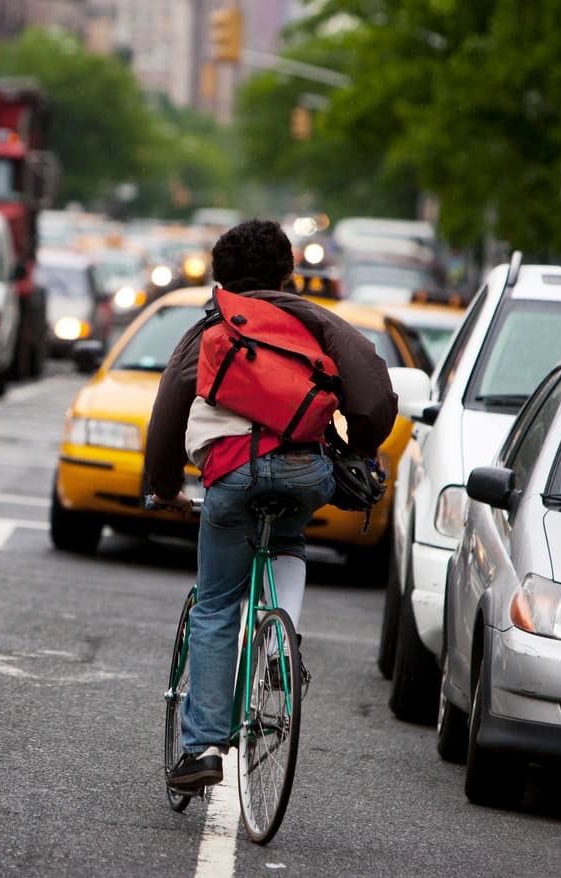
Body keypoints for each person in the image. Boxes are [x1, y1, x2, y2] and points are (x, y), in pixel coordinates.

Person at [144, 219, 397, 791]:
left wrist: (163, 486)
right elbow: (374, 391)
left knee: (214, 606)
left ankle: (203, 747)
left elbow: (166, 417)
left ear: (220, 279)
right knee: (288, 535)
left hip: (231, 473)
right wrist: (360, 446)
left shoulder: (210, 325)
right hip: (305, 473)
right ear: (289, 274)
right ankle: (280, 651)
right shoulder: (317, 321)